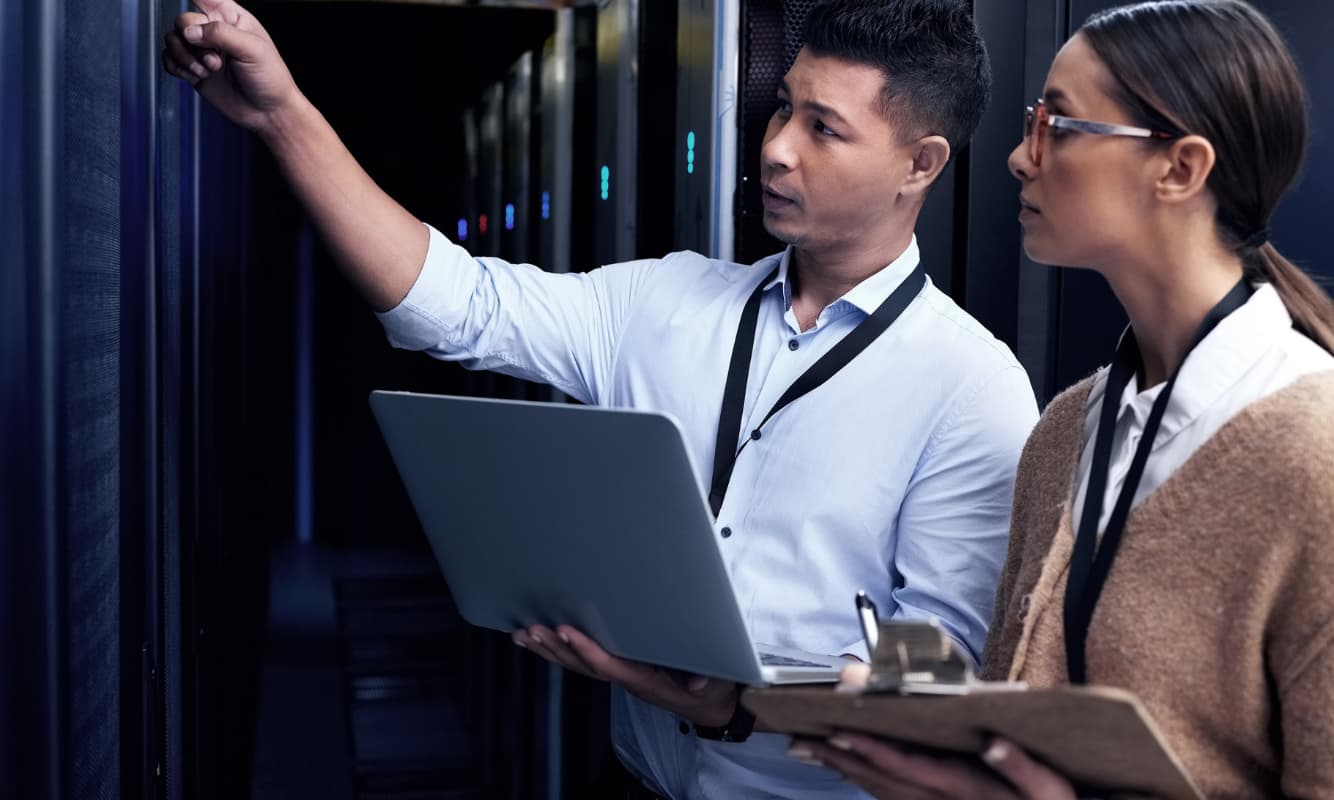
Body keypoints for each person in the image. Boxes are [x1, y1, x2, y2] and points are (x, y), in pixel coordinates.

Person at [163, 0, 1038, 796]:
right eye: (782, 108)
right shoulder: (667, 301)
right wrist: (283, 117)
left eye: (824, 128)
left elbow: (942, 665)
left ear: (919, 164)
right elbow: (458, 305)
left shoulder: (971, 388)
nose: (776, 145)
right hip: (632, 777)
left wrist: (743, 699)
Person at [789, 1, 1334, 797]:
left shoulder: (1313, 458)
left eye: (1059, 125)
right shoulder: (1066, 430)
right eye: (1030, 118)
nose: (1018, 155)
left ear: (1180, 169)